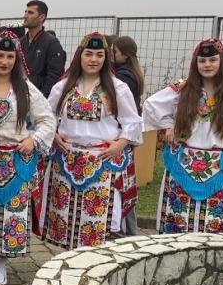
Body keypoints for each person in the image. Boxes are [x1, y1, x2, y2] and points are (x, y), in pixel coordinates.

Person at [143, 38, 223, 234]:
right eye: (202, 61)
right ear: (195, 64)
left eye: (213, 60)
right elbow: (151, 104)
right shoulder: (183, 88)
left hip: (221, 165)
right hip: (184, 163)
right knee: (178, 220)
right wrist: (168, 125)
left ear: (222, 61)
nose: (207, 65)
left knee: (217, 221)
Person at [40, 32, 143, 249]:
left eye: (99, 55)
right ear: (80, 55)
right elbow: (46, 117)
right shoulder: (63, 87)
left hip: (102, 162)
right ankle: (68, 263)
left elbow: (133, 122)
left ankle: (94, 264)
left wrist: (120, 144)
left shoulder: (117, 88)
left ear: (106, 58)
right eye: (88, 54)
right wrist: (54, 135)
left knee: (96, 222)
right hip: (66, 162)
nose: (93, 59)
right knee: (65, 219)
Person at [0, 31, 55, 285]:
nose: (5, 61)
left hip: (15, 161)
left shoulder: (25, 89)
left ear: (17, 59)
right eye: (0, 55)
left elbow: (47, 120)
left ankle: (1, 263)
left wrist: (33, 140)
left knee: (12, 213)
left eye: (10, 57)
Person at [111, 36, 145, 236]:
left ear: (123, 54)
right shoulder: (134, 73)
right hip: (128, 136)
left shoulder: (122, 78)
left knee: (121, 183)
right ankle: (130, 229)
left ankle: (126, 230)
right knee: (126, 183)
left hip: (121, 137)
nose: (112, 56)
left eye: (114, 52)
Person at [19, 0, 66, 97]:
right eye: (25, 12)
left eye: (30, 13)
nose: (25, 16)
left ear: (42, 17)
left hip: (40, 97)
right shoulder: (20, 42)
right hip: (21, 95)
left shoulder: (51, 42)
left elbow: (55, 74)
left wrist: (43, 97)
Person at [112, 36, 144, 114]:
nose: (111, 54)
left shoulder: (122, 76)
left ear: (126, 55)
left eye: (115, 51)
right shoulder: (132, 71)